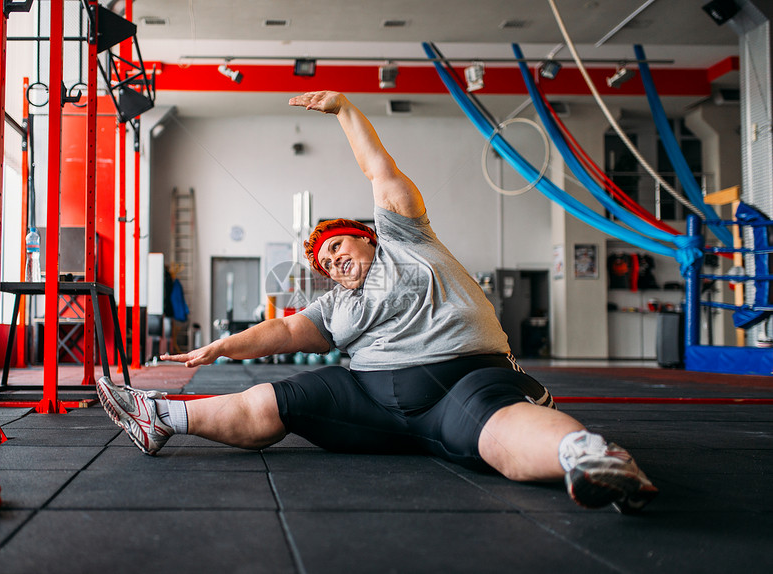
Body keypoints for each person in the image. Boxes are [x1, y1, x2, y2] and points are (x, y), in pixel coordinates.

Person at [97, 91, 657, 513]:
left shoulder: (407, 239)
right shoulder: (337, 306)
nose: (332, 261)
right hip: (372, 400)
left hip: (461, 381)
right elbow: (288, 334)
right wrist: (221, 347)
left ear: (366, 233)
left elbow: (378, 170)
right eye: (323, 263)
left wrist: (344, 111)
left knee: (498, 434)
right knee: (272, 399)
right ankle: (159, 417)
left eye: (337, 245)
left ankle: (588, 457)